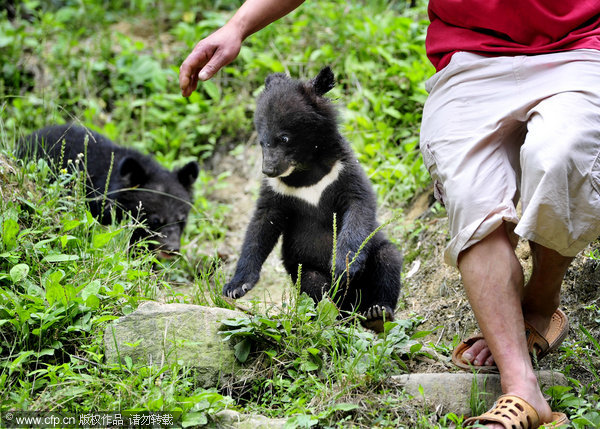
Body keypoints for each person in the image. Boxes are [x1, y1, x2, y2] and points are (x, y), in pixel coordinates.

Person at [179, 1, 600, 427]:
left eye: (280, 145)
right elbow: (263, 225)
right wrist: (238, 25)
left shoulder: (339, 162)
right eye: (266, 146)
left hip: (580, 49)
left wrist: (350, 252)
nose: (270, 160)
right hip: (469, 59)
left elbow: (361, 207)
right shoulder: (283, 172)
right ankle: (521, 391)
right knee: (471, 200)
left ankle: (540, 303)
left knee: (559, 158)